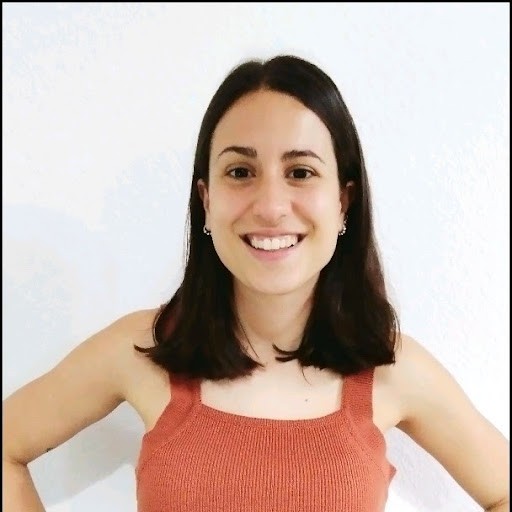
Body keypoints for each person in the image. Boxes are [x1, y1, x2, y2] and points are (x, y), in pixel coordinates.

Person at [3, 54, 509, 512]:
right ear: (206, 200)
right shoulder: (142, 349)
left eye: (301, 172)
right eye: (241, 171)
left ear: (343, 202)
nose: (269, 206)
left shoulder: (392, 368)